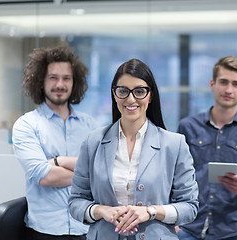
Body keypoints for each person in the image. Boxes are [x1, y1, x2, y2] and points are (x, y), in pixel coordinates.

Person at [68, 58, 199, 240]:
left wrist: (150, 211)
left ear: (150, 95)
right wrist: (101, 211)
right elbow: (75, 202)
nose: (131, 99)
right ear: (114, 95)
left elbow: (190, 208)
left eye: (139, 91)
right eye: (123, 91)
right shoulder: (93, 142)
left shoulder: (174, 144)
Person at [177, 56, 237, 240]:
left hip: (231, 231)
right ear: (212, 84)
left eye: (236, 84)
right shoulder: (187, 127)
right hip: (189, 229)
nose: (228, 89)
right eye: (223, 82)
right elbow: (173, 177)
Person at [12, 44, 98, 240]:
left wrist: (59, 161)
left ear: (74, 83)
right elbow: (45, 177)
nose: (60, 84)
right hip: (45, 231)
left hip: (86, 229)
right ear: (40, 82)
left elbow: (103, 171)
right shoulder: (27, 125)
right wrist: (87, 172)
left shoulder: (91, 126)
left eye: (66, 78)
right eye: (53, 77)